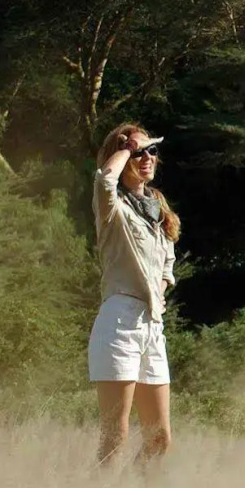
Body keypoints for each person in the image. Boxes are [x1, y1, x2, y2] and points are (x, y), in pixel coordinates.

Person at [89, 124, 180, 467]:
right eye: (138, 152)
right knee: (116, 435)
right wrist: (127, 146)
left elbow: (167, 267)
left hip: (152, 324)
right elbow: (103, 180)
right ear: (122, 155)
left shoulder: (157, 209)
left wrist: (159, 293)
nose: (147, 158)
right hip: (120, 320)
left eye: (151, 151)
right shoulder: (113, 208)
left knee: (160, 438)